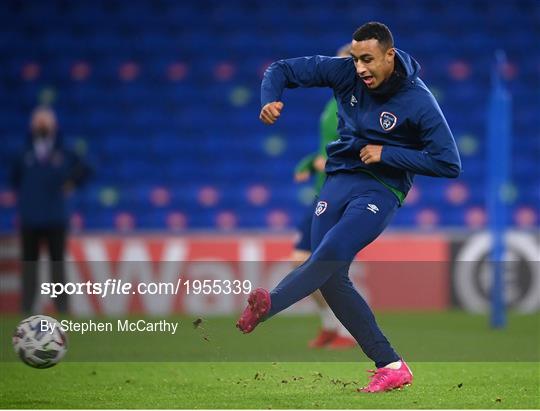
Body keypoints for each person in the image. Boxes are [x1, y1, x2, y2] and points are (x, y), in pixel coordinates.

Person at [237, 22, 461, 392]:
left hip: (380, 189)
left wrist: (388, 153)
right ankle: (391, 364)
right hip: (338, 181)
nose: (359, 69)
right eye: (356, 59)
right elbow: (282, 69)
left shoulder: (418, 100)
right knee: (332, 278)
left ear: (390, 55)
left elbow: (449, 163)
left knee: (328, 255)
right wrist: (269, 98)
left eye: (368, 60)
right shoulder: (346, 71)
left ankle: (269, 304)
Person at [293, 44, 356, 350]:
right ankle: (331, 325)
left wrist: (330, 162)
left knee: (323, 264)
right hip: (323, 190)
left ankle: (344, 330)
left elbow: (361, 149)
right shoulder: (335, 102)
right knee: (301, 261)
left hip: (341, 192)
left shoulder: (357, 106)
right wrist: (310, 163)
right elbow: (326, 147)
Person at [11, 106, 91, 315]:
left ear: (54, 124)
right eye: (38, 121)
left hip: (56, 217)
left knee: (58, 266)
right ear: (31, 125)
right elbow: (14, 179)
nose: (42, 125)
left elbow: (87, 168)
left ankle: (62, 308)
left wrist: (72, 182)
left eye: (45, 121)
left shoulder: (65, 150)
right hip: (30, 217)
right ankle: (26, 309)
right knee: (29, 266)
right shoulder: (23, 152)